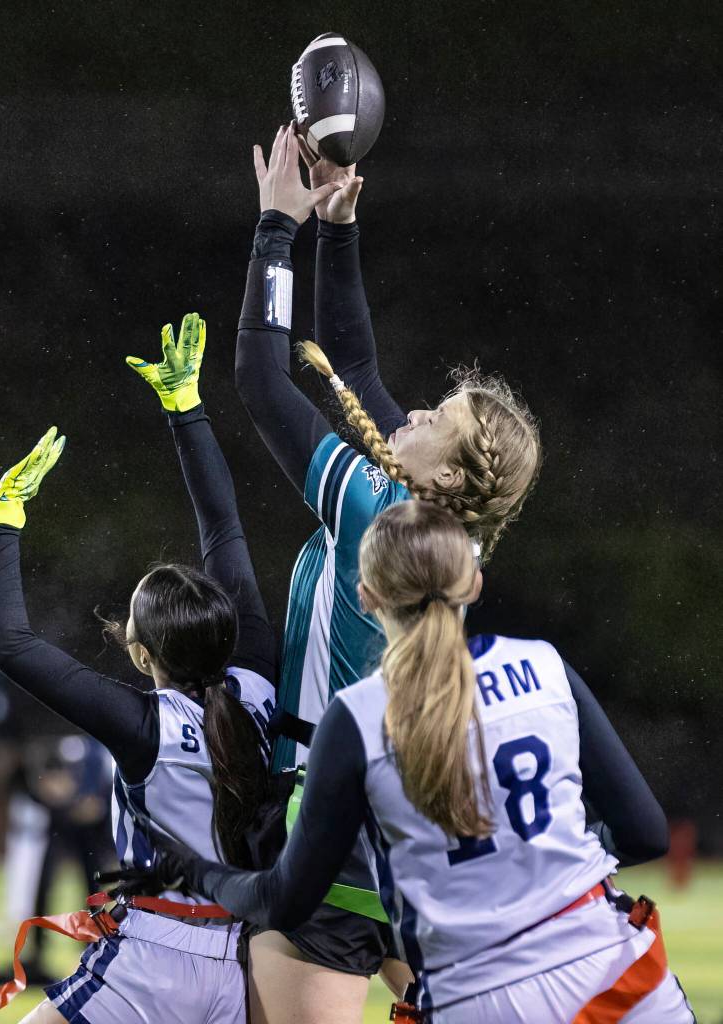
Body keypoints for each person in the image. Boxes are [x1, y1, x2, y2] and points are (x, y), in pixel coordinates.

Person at [145, 500, 694, 1024]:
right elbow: (644, 834)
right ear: (474, 583)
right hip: (611, 967)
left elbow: (285, 902)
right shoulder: (546, 666)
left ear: (366, 595)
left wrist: (196, 871)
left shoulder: (357, 717)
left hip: (478, 995)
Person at [233, 122, 541, 1019]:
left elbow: (259, 378)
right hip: (411, 827)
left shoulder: (377, 510)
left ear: (446, 475)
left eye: (436, 415)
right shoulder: (450, 534)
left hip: (325, 828)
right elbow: (355, 366)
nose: (409, 408)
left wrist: (276, 229)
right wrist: (339, 225)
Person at [0, 314, 277, 1024]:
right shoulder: (261, 678)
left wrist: (2, 521)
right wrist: (187, 410)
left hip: (150, 959)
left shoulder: (145, 726)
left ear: (141, 654)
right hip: (246, 965)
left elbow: (6, 641)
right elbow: (224, 529)